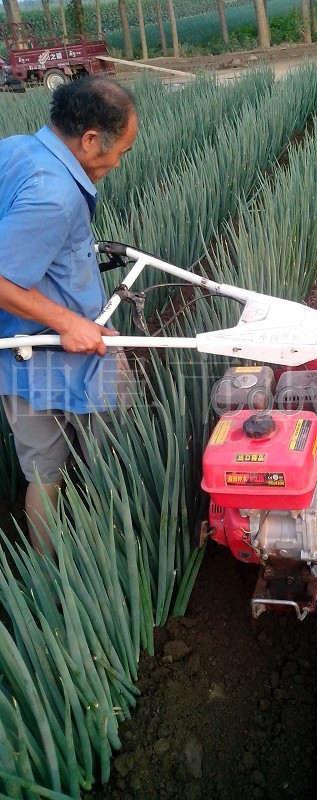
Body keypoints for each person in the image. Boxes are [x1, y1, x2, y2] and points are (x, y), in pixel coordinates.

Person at [0, 76, 138, 550]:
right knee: (119, 452)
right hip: (63, 349)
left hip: (15, 354)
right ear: (90, 140)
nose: (117, 161)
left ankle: (50, 573)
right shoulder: (54, 195)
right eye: (118, 149)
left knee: (42, 472)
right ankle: (118, 554)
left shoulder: (17, 149)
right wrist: (71, 322)